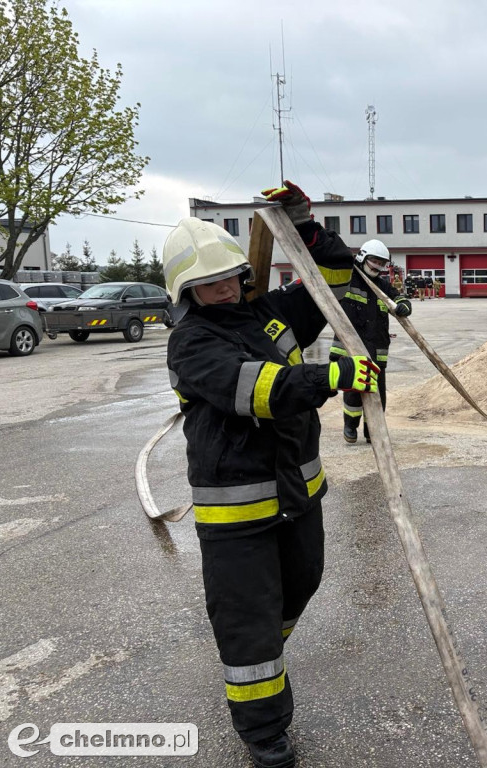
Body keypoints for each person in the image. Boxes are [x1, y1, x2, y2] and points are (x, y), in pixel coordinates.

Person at [162, 181, 380, 768]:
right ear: (186, 292)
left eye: (229, 276)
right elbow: (257, 390)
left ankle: (262, 653)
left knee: (300, 585)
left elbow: (332, 284)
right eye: (209, 282)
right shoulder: (191, 343)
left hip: (298, 494)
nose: (224, 288)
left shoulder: (269, 313)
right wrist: (329, 377)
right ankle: (263, 730)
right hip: (236, 510)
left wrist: (304, 227)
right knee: (248, 618)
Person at [322, 237, 413, 444]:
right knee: (354, 390)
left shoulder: (382, 286)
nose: (377, 266)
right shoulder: (348, 280)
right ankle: (350, 426)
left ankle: (372, 430)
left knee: (377, 394)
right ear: (363, 257)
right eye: (375, 261)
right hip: (351, 348)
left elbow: (399, 298)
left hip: (377, 350)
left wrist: (404, 306)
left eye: (382, 263)